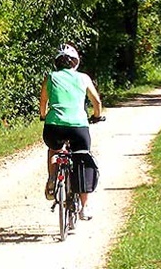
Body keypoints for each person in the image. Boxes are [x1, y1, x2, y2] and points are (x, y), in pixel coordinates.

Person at [39, 44, 104, 219]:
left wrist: (44, 116)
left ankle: (53, 178)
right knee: (82, 159)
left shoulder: (50, 77)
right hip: (78, 126)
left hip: (54, 126)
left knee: (54, 148)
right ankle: (85, 207)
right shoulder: (83, 78)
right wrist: (96, 116)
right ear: (75, 62)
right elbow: (96, 102)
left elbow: (43, 101)